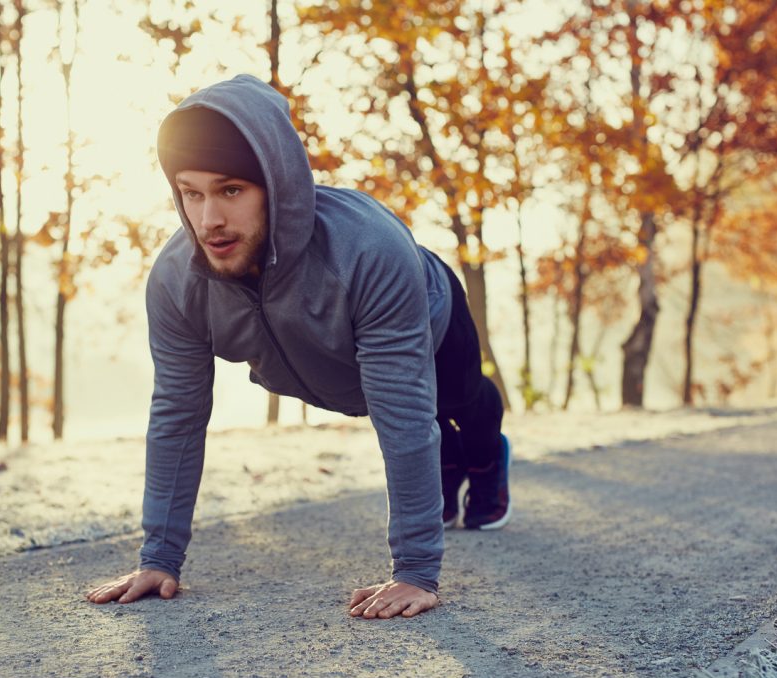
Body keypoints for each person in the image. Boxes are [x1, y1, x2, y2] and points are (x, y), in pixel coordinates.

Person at [85, 75, 511, 620]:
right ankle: (446, 465)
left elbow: (402, 415)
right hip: (329, 369)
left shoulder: (369, 252)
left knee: (457, 404)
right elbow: (177, 414)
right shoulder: (178, 282)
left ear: (276, 183)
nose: (208, 219)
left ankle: (483, 457)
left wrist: (415, 572)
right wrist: (159, 558)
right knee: (430, 434)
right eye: (191, 193)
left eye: (231, 190)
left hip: (427, 314)